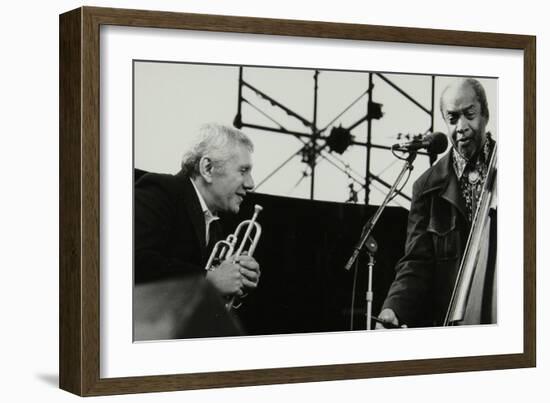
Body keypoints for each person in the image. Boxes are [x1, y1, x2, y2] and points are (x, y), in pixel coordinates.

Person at [377, 78, 496, 328]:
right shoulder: (426, 187)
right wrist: (394, 306)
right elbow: (416, 262)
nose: (461, 126)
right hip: (453, 322)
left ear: (485, 113)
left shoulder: (522, 166)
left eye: (469, 114)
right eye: (452, 119)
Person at [134, 123, 261, 302]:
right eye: (243, 171)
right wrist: (208, 279)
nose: (250, 184)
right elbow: (132, 260)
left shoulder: (214, 226)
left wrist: (237, 278)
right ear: (207, 168)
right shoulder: (161, 190)